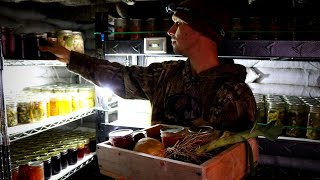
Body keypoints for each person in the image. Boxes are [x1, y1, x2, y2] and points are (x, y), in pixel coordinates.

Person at [40, 0, 256, 133]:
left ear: (202, 31)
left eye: (178, 23)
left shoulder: (236, 96)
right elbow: (120, 77)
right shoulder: (166, 75)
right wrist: (70, 57)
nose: (170, 31)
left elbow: (233, 157)